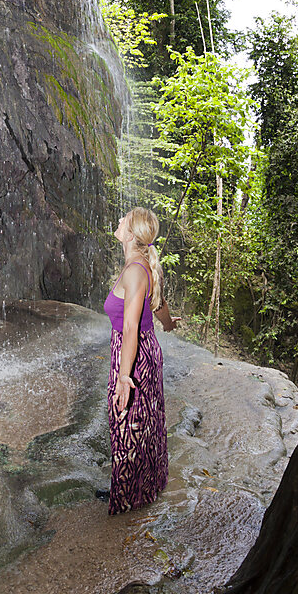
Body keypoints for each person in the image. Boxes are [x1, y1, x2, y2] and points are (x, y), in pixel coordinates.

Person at [101, 207, 181, 515]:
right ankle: (138, 488)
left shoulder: (135, 270)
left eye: (123, 219)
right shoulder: (143, 263)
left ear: (131, 233)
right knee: (142, 423)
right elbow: (157, 301)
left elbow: (131, 326)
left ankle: (126, 500)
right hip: (141, 350)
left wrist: (124, 376)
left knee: (126, 425)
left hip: (134, 357)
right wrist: (168, 323)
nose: (118, 220)